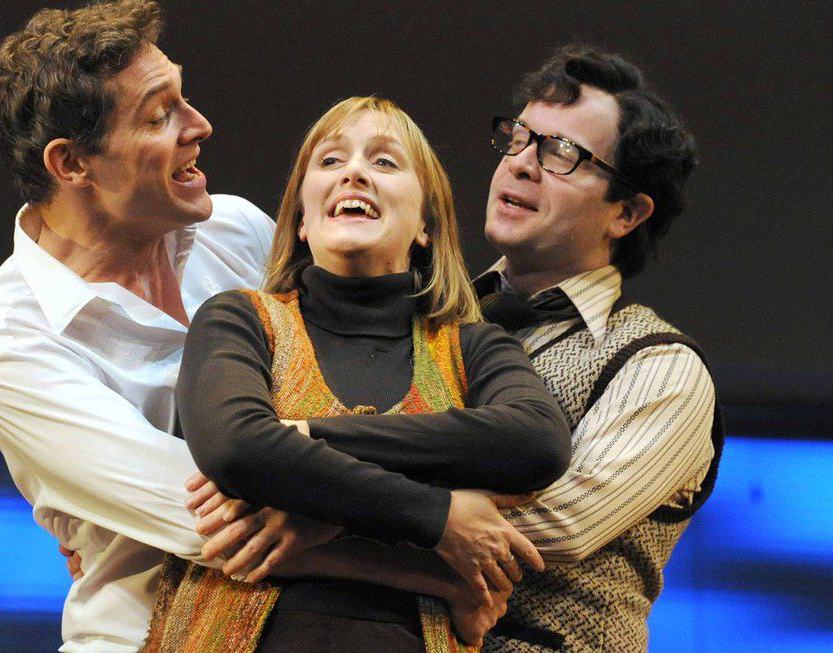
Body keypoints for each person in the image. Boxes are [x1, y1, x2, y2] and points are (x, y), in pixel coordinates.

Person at [144, 96, 572, 652]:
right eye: (330, 161)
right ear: (301, 220)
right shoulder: (239, 318)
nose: (354, 172)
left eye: (385, 161)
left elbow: (537, 441)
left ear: (426, 224)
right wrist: (440, 515)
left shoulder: (472, 345)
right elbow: (238, 449)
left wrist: (305, 440)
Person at [0, 2, 276, 650]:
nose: (200, 126)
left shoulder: (237, 230)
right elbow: (208, 519)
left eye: (184, 98)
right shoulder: (6, 337)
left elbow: (368, 374)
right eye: (159, 116)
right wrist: (432, 522)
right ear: (71, 164)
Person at [473, 45, 724, 652]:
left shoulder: (659, 365)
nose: (521, 165)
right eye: (519, 138)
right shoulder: (434, 315)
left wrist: (333, 512)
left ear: (627, 213)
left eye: (561, 153)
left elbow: (558, 525)